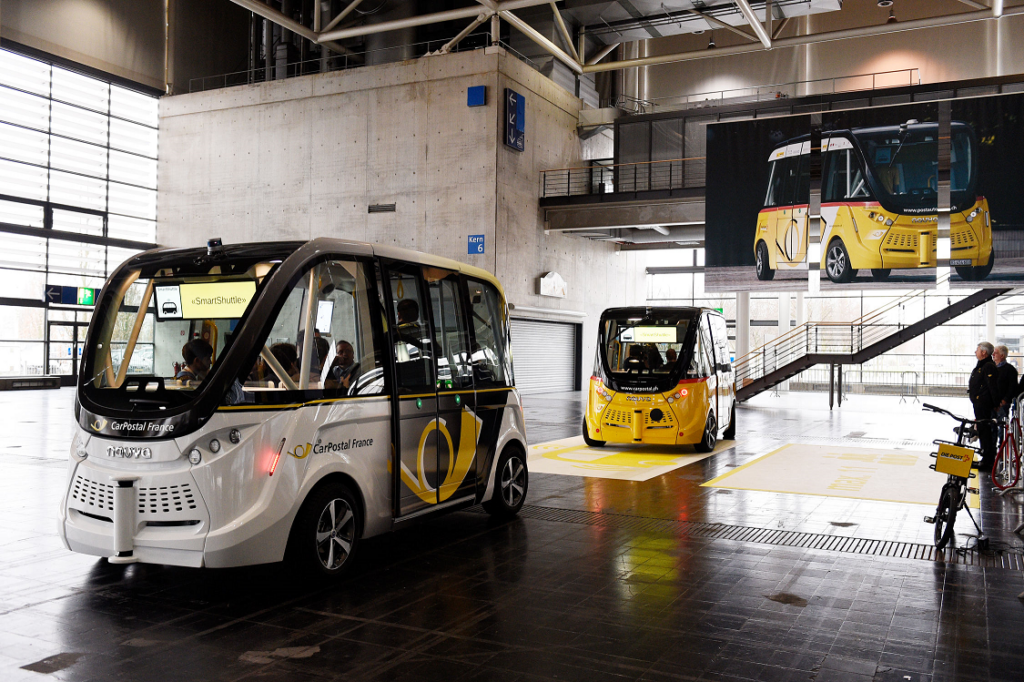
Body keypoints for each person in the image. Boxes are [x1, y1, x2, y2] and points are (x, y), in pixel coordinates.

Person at [969, 341, 1000, 471]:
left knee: (986, 432)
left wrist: (995, 404)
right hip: (979, 403)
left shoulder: (988, 366)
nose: (975, 352)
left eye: (977, 350)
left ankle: (988, 461)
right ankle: (985, 459)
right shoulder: (982, 365)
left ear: (984, 352)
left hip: (984, 404)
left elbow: (992, 387)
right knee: (982, 431)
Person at [993, 345, 1018, 420]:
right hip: (991, 403)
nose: (993, 355)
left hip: (1002, 404)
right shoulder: (991, 367)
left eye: (995, 353)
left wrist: (1005, 400)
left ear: (1002, 355)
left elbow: (1012, 387)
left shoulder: (1010, 370)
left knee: (1001, 426)